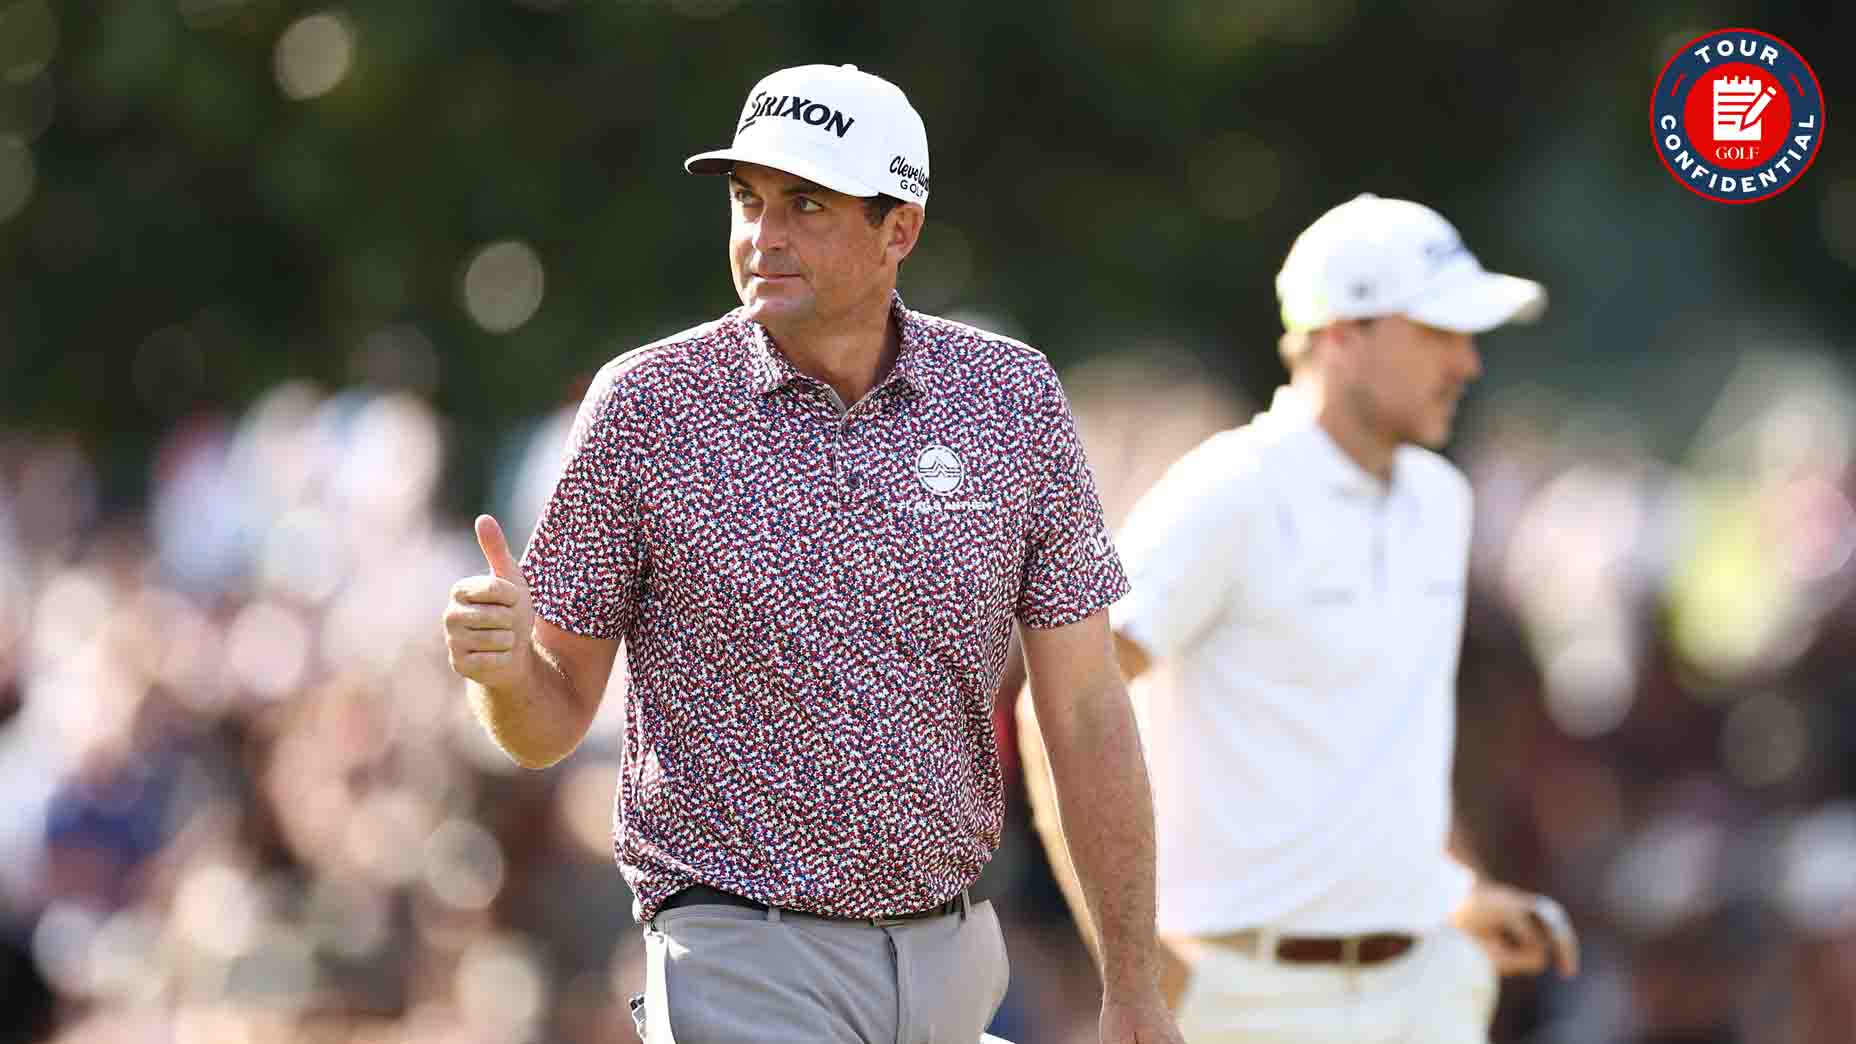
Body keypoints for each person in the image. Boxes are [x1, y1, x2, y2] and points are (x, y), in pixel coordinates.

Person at [441, 63, 1183, 1044]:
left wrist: (1130, 982)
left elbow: (1086, 705)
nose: (762, 235)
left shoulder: (1012, 400)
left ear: (898, 229)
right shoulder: (647, 408)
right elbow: (547, 721)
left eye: (805, 204)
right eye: (747, 202)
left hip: (951, 955)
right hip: (737, 951)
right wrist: (500, 674)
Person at [1017, 194, 1579, 1043]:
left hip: (1427, 989)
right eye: (1438, 333)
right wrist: (1134, 969)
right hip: (1250, 1000)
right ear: (1342, 335)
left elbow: (1394, 732)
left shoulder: (1441, 499)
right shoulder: (1231, 491)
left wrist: (1458, 887)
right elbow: (1062, 702)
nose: (1467, 363)